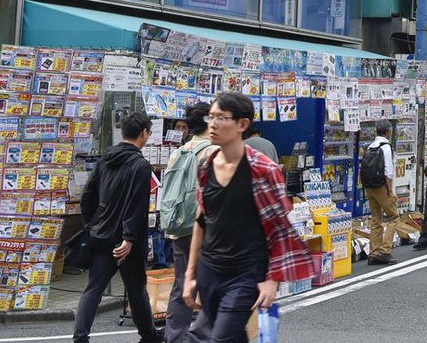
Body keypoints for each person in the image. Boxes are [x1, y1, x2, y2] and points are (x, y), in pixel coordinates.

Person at [183, 93, 311, 343]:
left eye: (221, 118)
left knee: (221, 338)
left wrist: (271, 279)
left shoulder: (264, 170)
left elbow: (280, 228)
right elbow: (201, 219)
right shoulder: (205, 165)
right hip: (210, 268)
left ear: (242, 124)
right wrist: (190, 274)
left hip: (245, 272)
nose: (213, 124)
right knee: (230, 336)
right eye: (211, 117)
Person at [75, 112, 159, 343]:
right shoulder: (140, 165)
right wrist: (129, 239)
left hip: (102, 236)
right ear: (144, 133)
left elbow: (87, 197)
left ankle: (80, 337)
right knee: (136, 290)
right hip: (127, 241)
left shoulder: (105, 159)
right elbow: (136, 205)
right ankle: (149, 336)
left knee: (94, 288)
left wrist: (92, 226)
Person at [164, 103, 216, 343]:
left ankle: (175, 337)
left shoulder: (178, 152)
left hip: (179, 227)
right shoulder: (213, 152)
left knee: (181, 286)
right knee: (212, 286)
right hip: (205, 229)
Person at [364, 119, 398, 265]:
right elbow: (388, 172)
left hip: (369, 187)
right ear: (389, 132)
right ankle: (384, 251)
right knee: (394, 217)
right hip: (381, 187)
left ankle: (373, 253)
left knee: (376, 220)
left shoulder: (370, 146)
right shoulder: (385, 147)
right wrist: (391, 191)